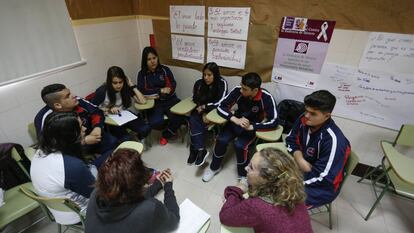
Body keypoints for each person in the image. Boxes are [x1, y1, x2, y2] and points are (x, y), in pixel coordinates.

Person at [30, 112, 110, 225]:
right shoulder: (72, 166)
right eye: (80, 127)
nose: (85, 128)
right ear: (69, 135)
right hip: (80, 214)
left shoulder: (41, 151)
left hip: (60, 211)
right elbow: (99, 196)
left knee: (109, 156)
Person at [202, 73, 278, 182]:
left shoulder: (266, 97)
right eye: (241, 86)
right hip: (236, 120)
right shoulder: (238, 91)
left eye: (245, 89)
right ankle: (214, 168)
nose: (241, 90)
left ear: (255, 90)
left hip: (251, 126)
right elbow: (221, 107)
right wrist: (234, 119)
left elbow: (274, 121)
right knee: (221, 140)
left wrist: (253, 127)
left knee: (240, 146)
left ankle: (243, 175)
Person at [85, 148, 180, 233]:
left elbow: (131, 204)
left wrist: (158, 184)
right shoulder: (150, 208)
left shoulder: (96, 193)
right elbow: (173, 221)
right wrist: (168, 186)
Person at [220, 148, 313, 233]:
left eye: (251, 167)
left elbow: (224, 216)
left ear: (266, 178)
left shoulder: (257, 206)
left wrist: (237, 190)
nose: (246, 168)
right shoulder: (293, 190)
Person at [285, 90, 351, 208]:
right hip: (303, 168)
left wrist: (291, 182)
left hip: (322, 187)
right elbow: (291, 139)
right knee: (268, 175)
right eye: (306, 110)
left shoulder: (334, 140)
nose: (306, 115)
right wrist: (298, 157)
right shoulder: (304, 119)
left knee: (282, 197)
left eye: (313, 113)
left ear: (327, 116)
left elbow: (324, 178)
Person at [34, 83, 118, 155]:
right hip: (72, 147)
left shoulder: (78, 101)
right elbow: (50, 147)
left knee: (113, 142)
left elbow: (97, 112)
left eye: (70, 93)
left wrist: (97, 127)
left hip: (93, 134)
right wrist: (83, 142)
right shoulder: (44, 119)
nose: (74, 96)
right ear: (57, 105)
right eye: (68, 96)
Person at [88, 66, 151, 142]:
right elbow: (91, 109)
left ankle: (137, 138)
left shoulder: (125, 87)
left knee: (146, 128)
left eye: (120, 82)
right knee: (126, 138)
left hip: (124, 115)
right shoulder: (102, 91)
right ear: (109, 82)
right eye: (115, 83)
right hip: (111, 119)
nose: (118, 85)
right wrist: (108, 109)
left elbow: (143, 101)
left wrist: (132, 85)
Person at [137, 46, 185, 145]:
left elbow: (172, 84)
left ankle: (166, 134)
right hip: (154, 103)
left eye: (154, 58)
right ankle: (170, 128)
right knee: (155, 122)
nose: (152, 61)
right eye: (149, 59)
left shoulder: (164, 70)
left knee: (180, 115)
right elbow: (143, 91)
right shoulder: (142, 74)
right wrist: (159, 91)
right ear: (145, 61)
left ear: (157, 58)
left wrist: (164, 92)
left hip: (169, 99)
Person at [187, 62, 227, 166]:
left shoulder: (222, 83)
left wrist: (205, 108)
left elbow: (221, 102)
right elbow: (195, 98)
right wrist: (203, 110)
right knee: (193, 119)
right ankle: (200, 149)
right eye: (204, 74)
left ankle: (195, 149)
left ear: (215, 74)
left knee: (196, 123)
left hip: (214, 112)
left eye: (209, 75)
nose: (206, 78)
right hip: (201, 109)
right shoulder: (199, 82)